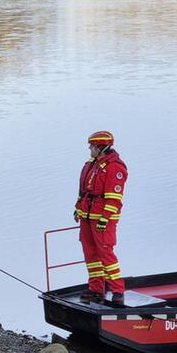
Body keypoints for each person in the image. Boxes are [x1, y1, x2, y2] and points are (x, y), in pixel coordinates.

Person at [75, 131, 128, 306]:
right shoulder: (93, 164)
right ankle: (96, 288)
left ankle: (118, 291)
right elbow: (84, 190)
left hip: (102, 219)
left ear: (100, 147)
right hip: (87, 216)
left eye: (92, 146)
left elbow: (114, 198)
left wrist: (105, 218)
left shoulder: (114, 168)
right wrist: (78, 208)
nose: (90, 148)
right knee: (90, 253)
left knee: (105, 253)